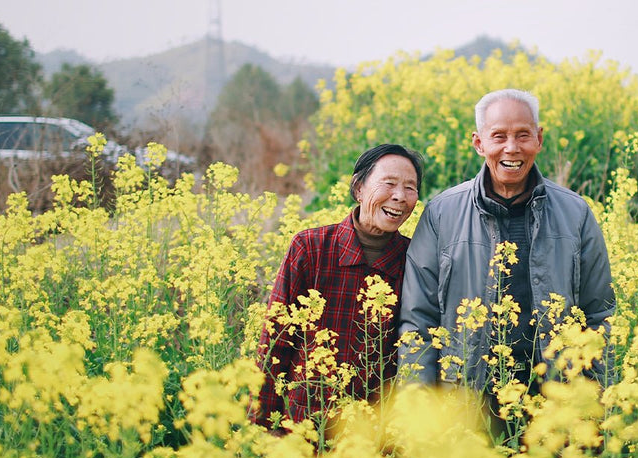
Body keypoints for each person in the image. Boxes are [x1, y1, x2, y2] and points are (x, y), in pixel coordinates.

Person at [397, 89, 615, 396]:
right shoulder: (441, 213)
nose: (511, 148)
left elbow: (599, 315)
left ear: (539, 139)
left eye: (523, 135)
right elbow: (418, 320)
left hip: (556, 400)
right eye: (499, 136)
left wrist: (596, 404)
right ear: (479, 143)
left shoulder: (575, 213)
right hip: (468, 401)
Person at [253, 143, 423, 429]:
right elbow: (275, 343)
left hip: (372, 437)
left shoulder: (416, 259)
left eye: (410, 188)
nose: (399, 197)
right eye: (389, 184)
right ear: (358, 189)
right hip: (303, 427)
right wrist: (260, 429)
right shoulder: (310, 248)